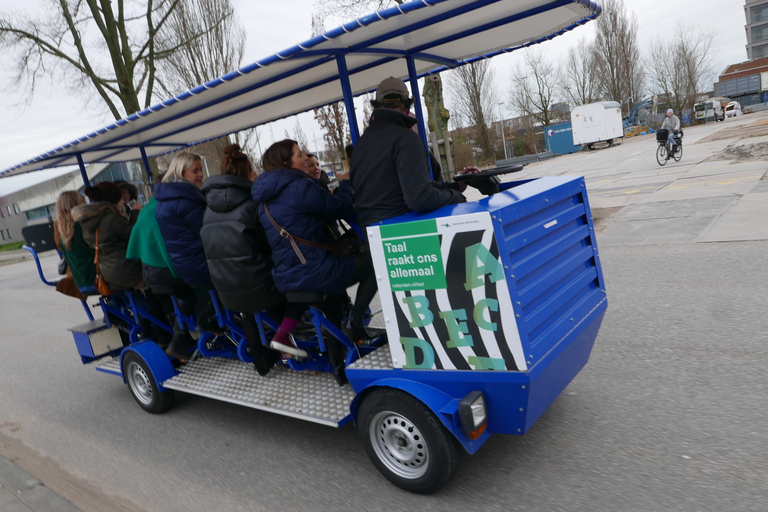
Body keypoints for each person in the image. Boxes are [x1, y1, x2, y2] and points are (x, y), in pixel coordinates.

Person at [251, 139, 379, 384]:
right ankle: (355, 321)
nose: (303, 159)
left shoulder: (263, 199)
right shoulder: (299, 186)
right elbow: (338, 208)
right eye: (299, 155)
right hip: (316, 270)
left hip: (288, 274)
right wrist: (345, 182)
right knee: (377, 263)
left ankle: (337, 365)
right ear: (287, 162)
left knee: (330, 300)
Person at [201, 144, 284, 376]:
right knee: (287, 297)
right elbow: (268, 243)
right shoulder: (253, 204)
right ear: (249, 173)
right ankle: (281, 347)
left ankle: (260, 361)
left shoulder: (208, 208)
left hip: (226, 287)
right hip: (261, 284)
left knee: (247, 311)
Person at [350, 77, 477, 228]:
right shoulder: (406, 139)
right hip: (404, 233)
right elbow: (420, 198)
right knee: (475, 248)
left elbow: (395, 190)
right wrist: (457, 197)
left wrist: (455, 186)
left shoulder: (361, 144)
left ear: (377, 106)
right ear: (407, 108)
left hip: (374, 235)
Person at [154, 153, 220, 357]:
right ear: (180, 173)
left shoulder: (165, 198)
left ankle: (181, 335)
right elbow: (207, 232)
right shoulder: (187, 198)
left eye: (201, 169)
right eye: (195, 171)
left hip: (185, 263)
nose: (201, 174)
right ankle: (208, 319)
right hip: (200, 262)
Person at [72, 181, 144, 290]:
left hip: (107, 273)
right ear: (115, 198)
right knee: (157, 279)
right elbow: (136, 236)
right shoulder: (112, 218)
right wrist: (135, 212)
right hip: (128, 271)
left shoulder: (87, 220)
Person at [54, 191, 96, 294]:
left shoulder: (61, 231)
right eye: (82, 201)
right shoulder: (85, 225)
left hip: (81, 284)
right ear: (78, 204)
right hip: (98, 280)